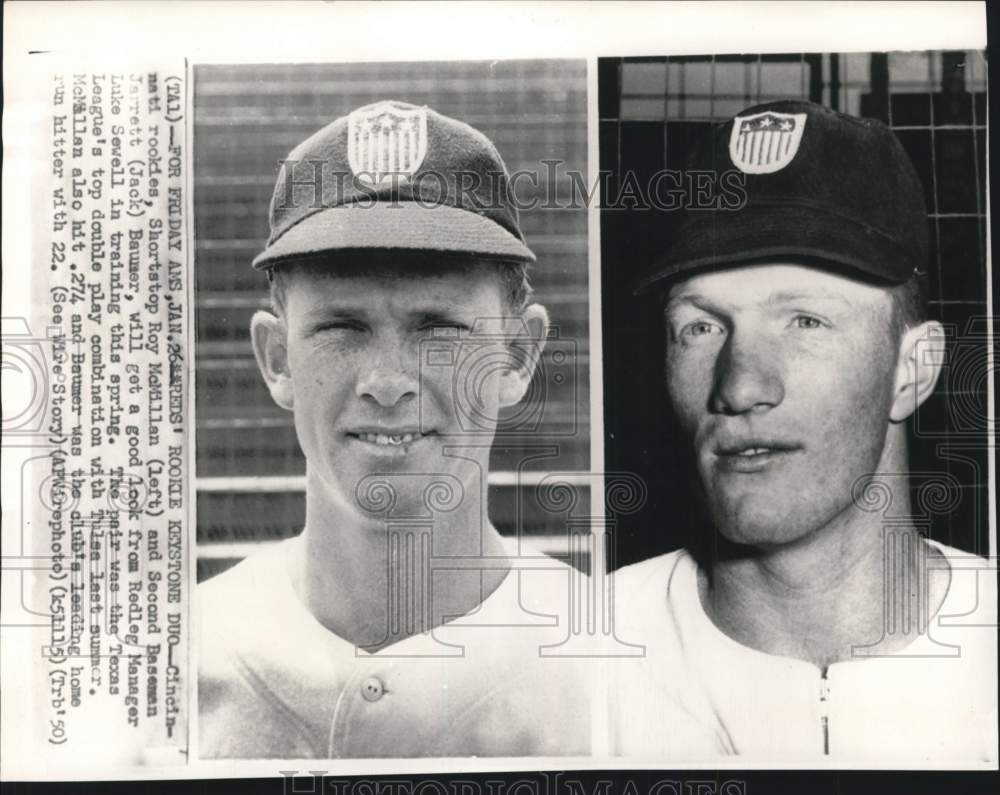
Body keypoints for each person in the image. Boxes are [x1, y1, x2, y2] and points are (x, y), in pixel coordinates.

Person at [199, 100, 589, 758]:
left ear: (518, 355)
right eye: (341, 328)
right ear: (276, 358)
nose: (387, 380)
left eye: (438, 326)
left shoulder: (613, 666)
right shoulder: (171, 665)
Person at [609, 100, 997, 763]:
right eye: (701, 326)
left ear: (914, 368)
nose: (740, 385)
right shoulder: (585, 655)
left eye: (805, 321)